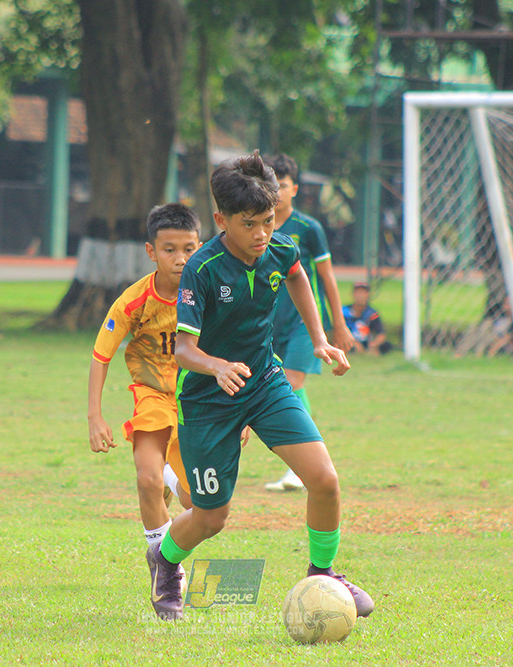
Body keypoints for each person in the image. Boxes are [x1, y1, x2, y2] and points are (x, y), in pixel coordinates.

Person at [145, 152, 374, 621]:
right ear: (220, 220)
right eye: (249, 224)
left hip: (264, 383)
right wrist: (218, 366)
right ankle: (165, 561)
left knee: (325, 480)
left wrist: (319, 339)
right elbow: (183, 351)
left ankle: (323, 574)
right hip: (209, 399)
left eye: (268, 221)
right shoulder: (202, 271)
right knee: (211, 517)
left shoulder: (279, 247)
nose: (261, 235)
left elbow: (297, 275)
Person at [88, 203, 200, 551]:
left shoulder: (208, 296)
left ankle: (169, 475)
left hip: (197, 399)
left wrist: (239, 414)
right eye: (169, 250)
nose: (180, 259)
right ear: (151, 251)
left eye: (189, 249)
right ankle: (165, 567)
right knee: (147, 480)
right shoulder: (132, 302)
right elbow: (101, 355)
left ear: (200, 246)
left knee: (196, 503)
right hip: (152, 394)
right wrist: (95, 416)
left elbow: (232, 351)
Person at [263, 154, 354, 492]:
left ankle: (301, 466)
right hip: (269, 323)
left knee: (291, 382)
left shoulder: (308, 229)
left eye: (283, 186)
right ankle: (303, 461)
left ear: (295, 189)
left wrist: (339, 325)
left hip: (303, 323)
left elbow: (327, 279)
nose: (278, 193)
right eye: (273, 187)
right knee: (282, 386)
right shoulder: (256, 227)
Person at [343, 282, 392, 355]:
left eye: (363, 293)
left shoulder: (372, 313)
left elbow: (381, 334)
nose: (360, 296)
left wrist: (374, 345)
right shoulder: (344, 311)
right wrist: (354, 343)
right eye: (358, 292)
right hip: (349, 341)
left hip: (366, 342)